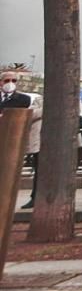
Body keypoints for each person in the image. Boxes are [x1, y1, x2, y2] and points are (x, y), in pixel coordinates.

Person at [2, 71, 37, 209]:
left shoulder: (24, 99)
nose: (10, 83)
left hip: (12, 139)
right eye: (7, 80)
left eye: (14, 80)